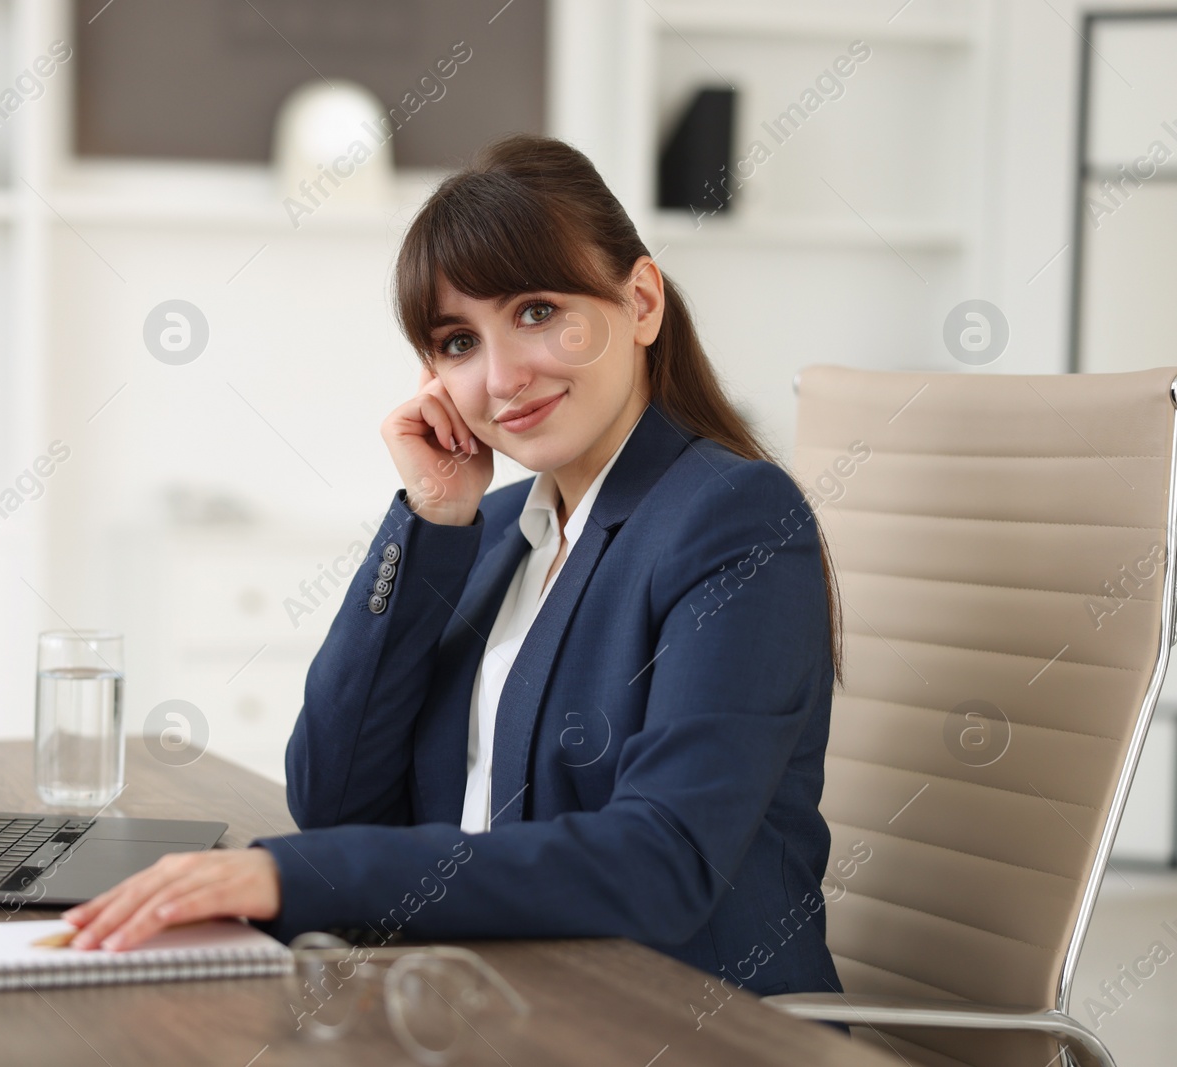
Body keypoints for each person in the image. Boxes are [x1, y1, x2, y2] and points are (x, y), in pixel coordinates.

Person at [63, 133, 844, 999]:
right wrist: (432, 520)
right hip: (491, 1000)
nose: (502, 376)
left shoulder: (733, 519)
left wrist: (300, 878)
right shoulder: (495, 527)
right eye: (459, 341)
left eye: (538, 311)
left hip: (684, 1024)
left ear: (643, 301)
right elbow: (333, 797)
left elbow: (661, 862)